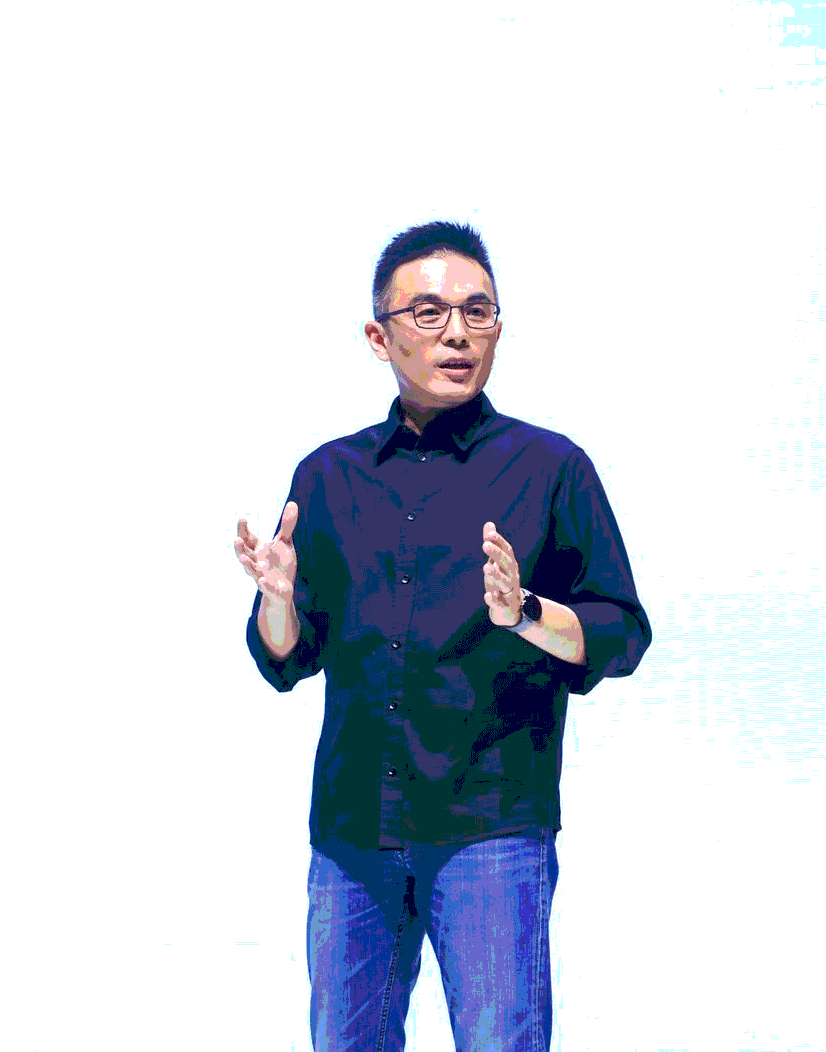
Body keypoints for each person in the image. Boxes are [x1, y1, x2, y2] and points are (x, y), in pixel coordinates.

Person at [233, 221, 652, 1051]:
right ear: (378, 336)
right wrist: (276, 599)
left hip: (490, 829)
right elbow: (287, 656)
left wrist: (525, 612)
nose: (457, 333)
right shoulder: (328, 475)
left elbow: (621, 631)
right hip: (354, 832)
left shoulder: (551, 467)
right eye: (428, 313)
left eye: (477, 311)